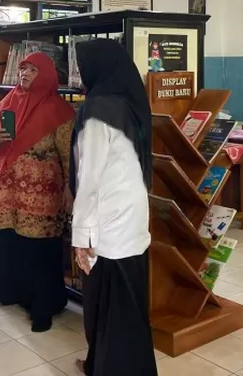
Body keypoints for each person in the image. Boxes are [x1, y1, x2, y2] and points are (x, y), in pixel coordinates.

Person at [70, 38, 157, 376]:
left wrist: (81, 235)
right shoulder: (129, 103)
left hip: (106, 222)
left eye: (82, 67)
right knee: (130, 306)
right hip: (132, 218)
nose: (79, 75)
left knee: (105, 307)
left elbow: (89, 179)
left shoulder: (97, 112)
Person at [0, 51, 75, 332]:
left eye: (32, 70)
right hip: (7, 191)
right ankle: (10, 293)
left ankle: (42, 307)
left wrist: (71, 187)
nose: (24, 74)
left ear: (46, 75)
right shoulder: (9, 101)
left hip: (41, 195)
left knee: (38, 249)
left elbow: (70, 155)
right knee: (9, 241)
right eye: (23, 69)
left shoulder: (60, 111)